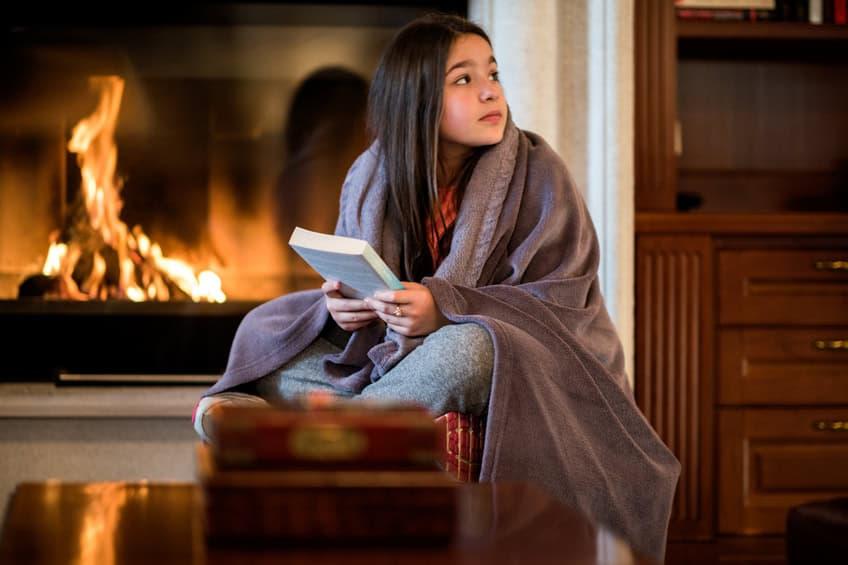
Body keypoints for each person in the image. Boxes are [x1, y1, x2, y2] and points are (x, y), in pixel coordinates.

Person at [195, 13, 680, 560]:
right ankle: (336, 415)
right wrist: (347, 307)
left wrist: (447, 309)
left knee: (472, 348)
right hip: (402, 357)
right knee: (271, 326)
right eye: (464, 80)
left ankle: (307, 433)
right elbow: (369, 291)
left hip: (535, 357)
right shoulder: (372, 175)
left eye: (491, 74)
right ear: (417, 100)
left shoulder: (541, 175)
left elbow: (561, 302)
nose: (490, 91)